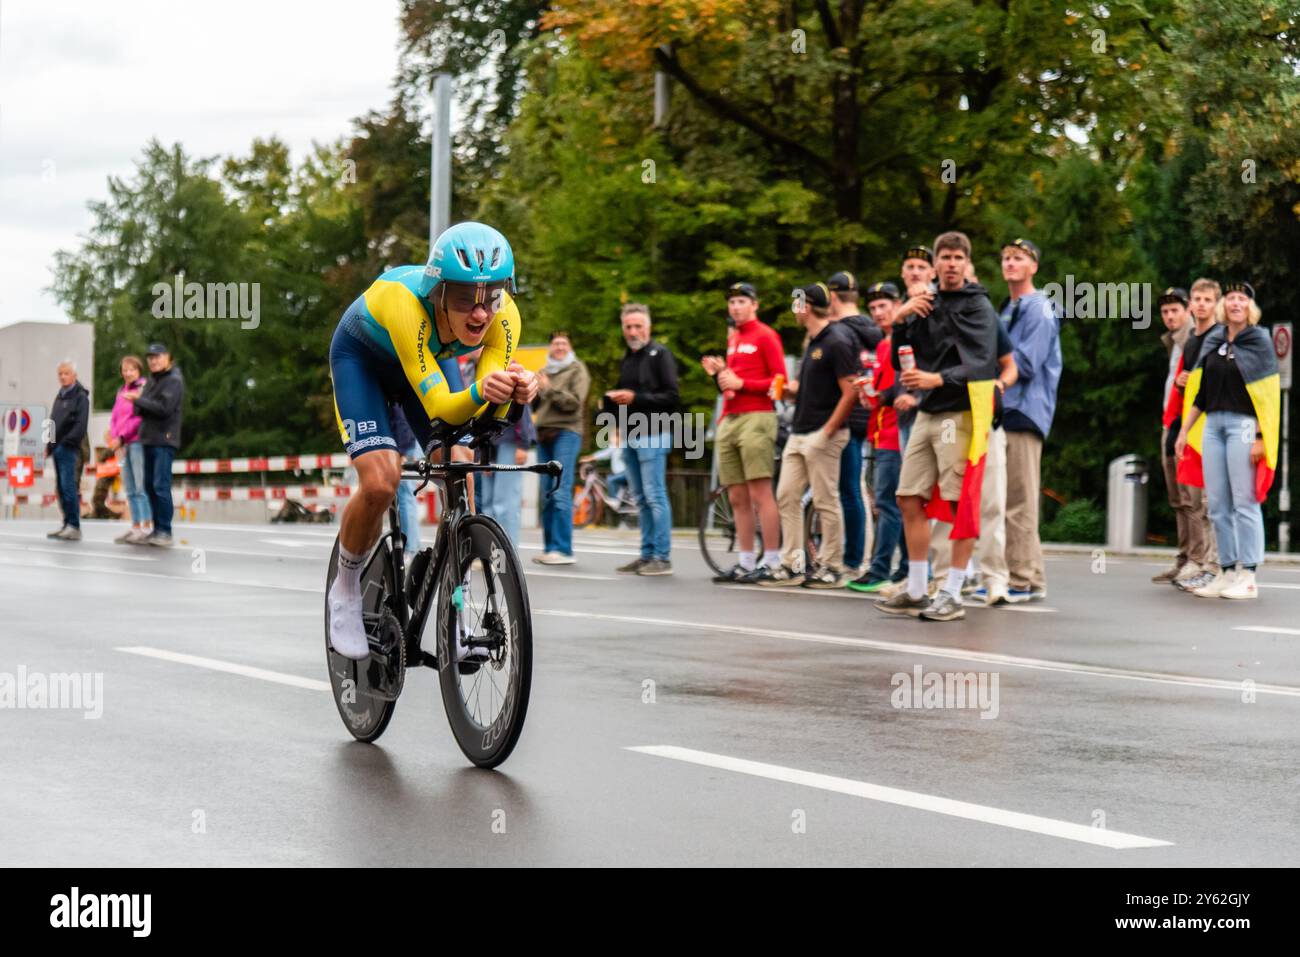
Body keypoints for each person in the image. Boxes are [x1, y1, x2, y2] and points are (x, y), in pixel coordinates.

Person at [326, 221, 538, 661]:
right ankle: (344, 588)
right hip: (362, 361)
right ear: (439, 292)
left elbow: (484, 415)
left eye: (491, 296)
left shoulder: (506, 316)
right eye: (464, 299)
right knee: (383, 482)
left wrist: (516, 394)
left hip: (421, 367)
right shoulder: (407, 304)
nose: (480, 314)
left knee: (460, 468)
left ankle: (456, 612)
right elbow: (444, 404)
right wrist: (485, 392)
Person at [876, 232, 999, 622]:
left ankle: (952, 591)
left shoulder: (978, 305)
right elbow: (900, 363)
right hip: (926, 413)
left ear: (966, 262)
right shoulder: (926, 303)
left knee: (956, 502)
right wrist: (900, 319)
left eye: (957, 257)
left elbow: (982, 365)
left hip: (958, 414)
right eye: (943, 257)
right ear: (935, 265)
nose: (950, 264)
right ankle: (915, 587)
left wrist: (936, 379)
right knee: (908, 496)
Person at [1175, 282, 1280, 600]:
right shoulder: (1216, 341)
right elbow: (1202, 393)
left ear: (1250, 307)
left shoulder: (1259, 341)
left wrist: (1261, 437)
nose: (1236, 302)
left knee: (1244, 499)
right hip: (1213, 425)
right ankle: (1225, 569)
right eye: (1232, 297)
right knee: (1218, 503)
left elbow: (1267, 394)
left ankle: (1248, 574)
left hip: (1244, 425)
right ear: (1225, 305)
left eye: (1243, 298)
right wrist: (1183, 431)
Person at [760, 283, 858, 588]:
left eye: (795, 304)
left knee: (826, 500)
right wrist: (789, 391)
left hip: (824, 435)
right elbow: (809, 388)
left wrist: (827, 432)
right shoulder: (812, 341)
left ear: (805, 306)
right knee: (786, 496)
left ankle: (832, 566)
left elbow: (850, 390)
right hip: (800, 432)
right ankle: (792, 564)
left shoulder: (837, 341)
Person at [702, 282, 785, 583]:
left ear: (755, 305)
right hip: (731, 416)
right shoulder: (734, 337)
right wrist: (720, 376)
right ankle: (746, 560)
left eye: (741, 301)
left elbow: (780, 383)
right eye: (732, 302)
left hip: (758, 415)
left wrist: (742, 385)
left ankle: (773, 559)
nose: (735, 306)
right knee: (736, 494)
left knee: (760, 490)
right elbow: (732, 382)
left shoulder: (766, 335)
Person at [998, 238, 1062, 603]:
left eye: (1018, 258)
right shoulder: (1010, 306)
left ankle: (1019, 579)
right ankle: (1031, 576)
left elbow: (1025, 362)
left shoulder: (1039, 309)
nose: (1010, 263)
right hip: (1011, 408)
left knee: (1018, 499)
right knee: (1011, 495)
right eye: (1006, 258)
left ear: (1033, 266)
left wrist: (984, 363)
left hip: (1024, 409)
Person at [602, 304, 680, 576]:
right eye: (628, 326)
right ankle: (647, 555)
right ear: (623, 328)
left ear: (649, 327)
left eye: (638, 326)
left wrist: (636, 398)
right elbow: (627, 400)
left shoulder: (661, 354)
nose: (633, 331)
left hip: (655, 433)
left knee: (655, 495)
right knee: (642, 499)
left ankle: (662, 557)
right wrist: (612, 404)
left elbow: (672, 397)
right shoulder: (628, 359)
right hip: (630, 436)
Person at [848, 282, 904, 592]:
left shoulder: (899, 342)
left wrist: (875, 393)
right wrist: (868, 392)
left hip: (895, 433)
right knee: (896, 503)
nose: (879, 313)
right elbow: (881, 394)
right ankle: (903, 567)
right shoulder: (882, 345)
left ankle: (882, 568)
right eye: (873, 309)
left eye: (884, 306)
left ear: (898, 306)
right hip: (882, 431)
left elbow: (893, 391)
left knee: (888, 503)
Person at [826, 271, 883, 575]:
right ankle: (859, 555)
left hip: (847, 414)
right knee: (856, 488)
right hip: (870, 413)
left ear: (833, 298)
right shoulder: (875, 328)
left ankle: (853, 559)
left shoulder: (839, 333)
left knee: (847, 489)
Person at [1168, 279, 1222, 593]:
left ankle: (1215, 565)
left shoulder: (1219, 337)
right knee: (1195, 500)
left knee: (1211, 501)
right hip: (1194, 425)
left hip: (1214, 424)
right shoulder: (1190, 342)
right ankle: (1202, 562)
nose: (1201, 305)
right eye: (1197, 299)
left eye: (1207, 300)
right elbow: (1187, 386)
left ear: (1216, 304)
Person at [532, 331, 590, 565]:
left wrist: (547, 389)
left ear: (570, 347)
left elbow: (574, 402)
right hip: (543, 433)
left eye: (564, 343)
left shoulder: (577, 369)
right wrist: (534, 390)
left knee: (560, 490)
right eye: (555, 343)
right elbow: (536, 406)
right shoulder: (545, 372)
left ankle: (564, 550)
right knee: (546, 493)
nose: (559, 346)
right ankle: (549, 548)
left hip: (566, 432)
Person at [129, 343, 186, 547]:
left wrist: (139, 400)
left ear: (167, 357)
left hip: (164, 439)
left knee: (160, 486)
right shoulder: (152, 381)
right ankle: (156, 529)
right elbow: (141, 410)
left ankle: (165, 531)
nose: (153, 360)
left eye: (157, 356)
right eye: (150, 357)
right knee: (148, 486)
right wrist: (140, 402)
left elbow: (164, 408)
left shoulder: (173, 380)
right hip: (148, 438)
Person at [108, 355, 152, 544]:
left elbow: (139, 419)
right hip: (122, 445)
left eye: (131, 369)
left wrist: (122, 437)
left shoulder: (143, 389)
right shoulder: (121, 391)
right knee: (131, 488)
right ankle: (135, 527)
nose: (128, 373)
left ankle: (147, 526)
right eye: (125, 370)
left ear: (139, 370)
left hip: (136, 443)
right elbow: (115, 417)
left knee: (141, 486)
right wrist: (113, 437)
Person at [479, 402, 536, 545]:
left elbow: (520, 404)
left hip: (510, 440)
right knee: (488, 505)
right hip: (488, 443)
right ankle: (490, 554)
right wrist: (481, 452)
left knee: (505, 505)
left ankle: (506, 557)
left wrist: (523, 443)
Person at [45, 360, 90, 541]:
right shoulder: (60, 396)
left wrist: (67, 443)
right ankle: (66, 523)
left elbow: (80, 425)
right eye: (60, 374)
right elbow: (53, 422)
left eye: (66, 373)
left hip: (70, 449)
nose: (63, 377)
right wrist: (50, 445)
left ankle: (74, 525)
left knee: (69, 486)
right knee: (61, 488)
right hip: (57, 448)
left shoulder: (80, 397)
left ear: (74, 375)